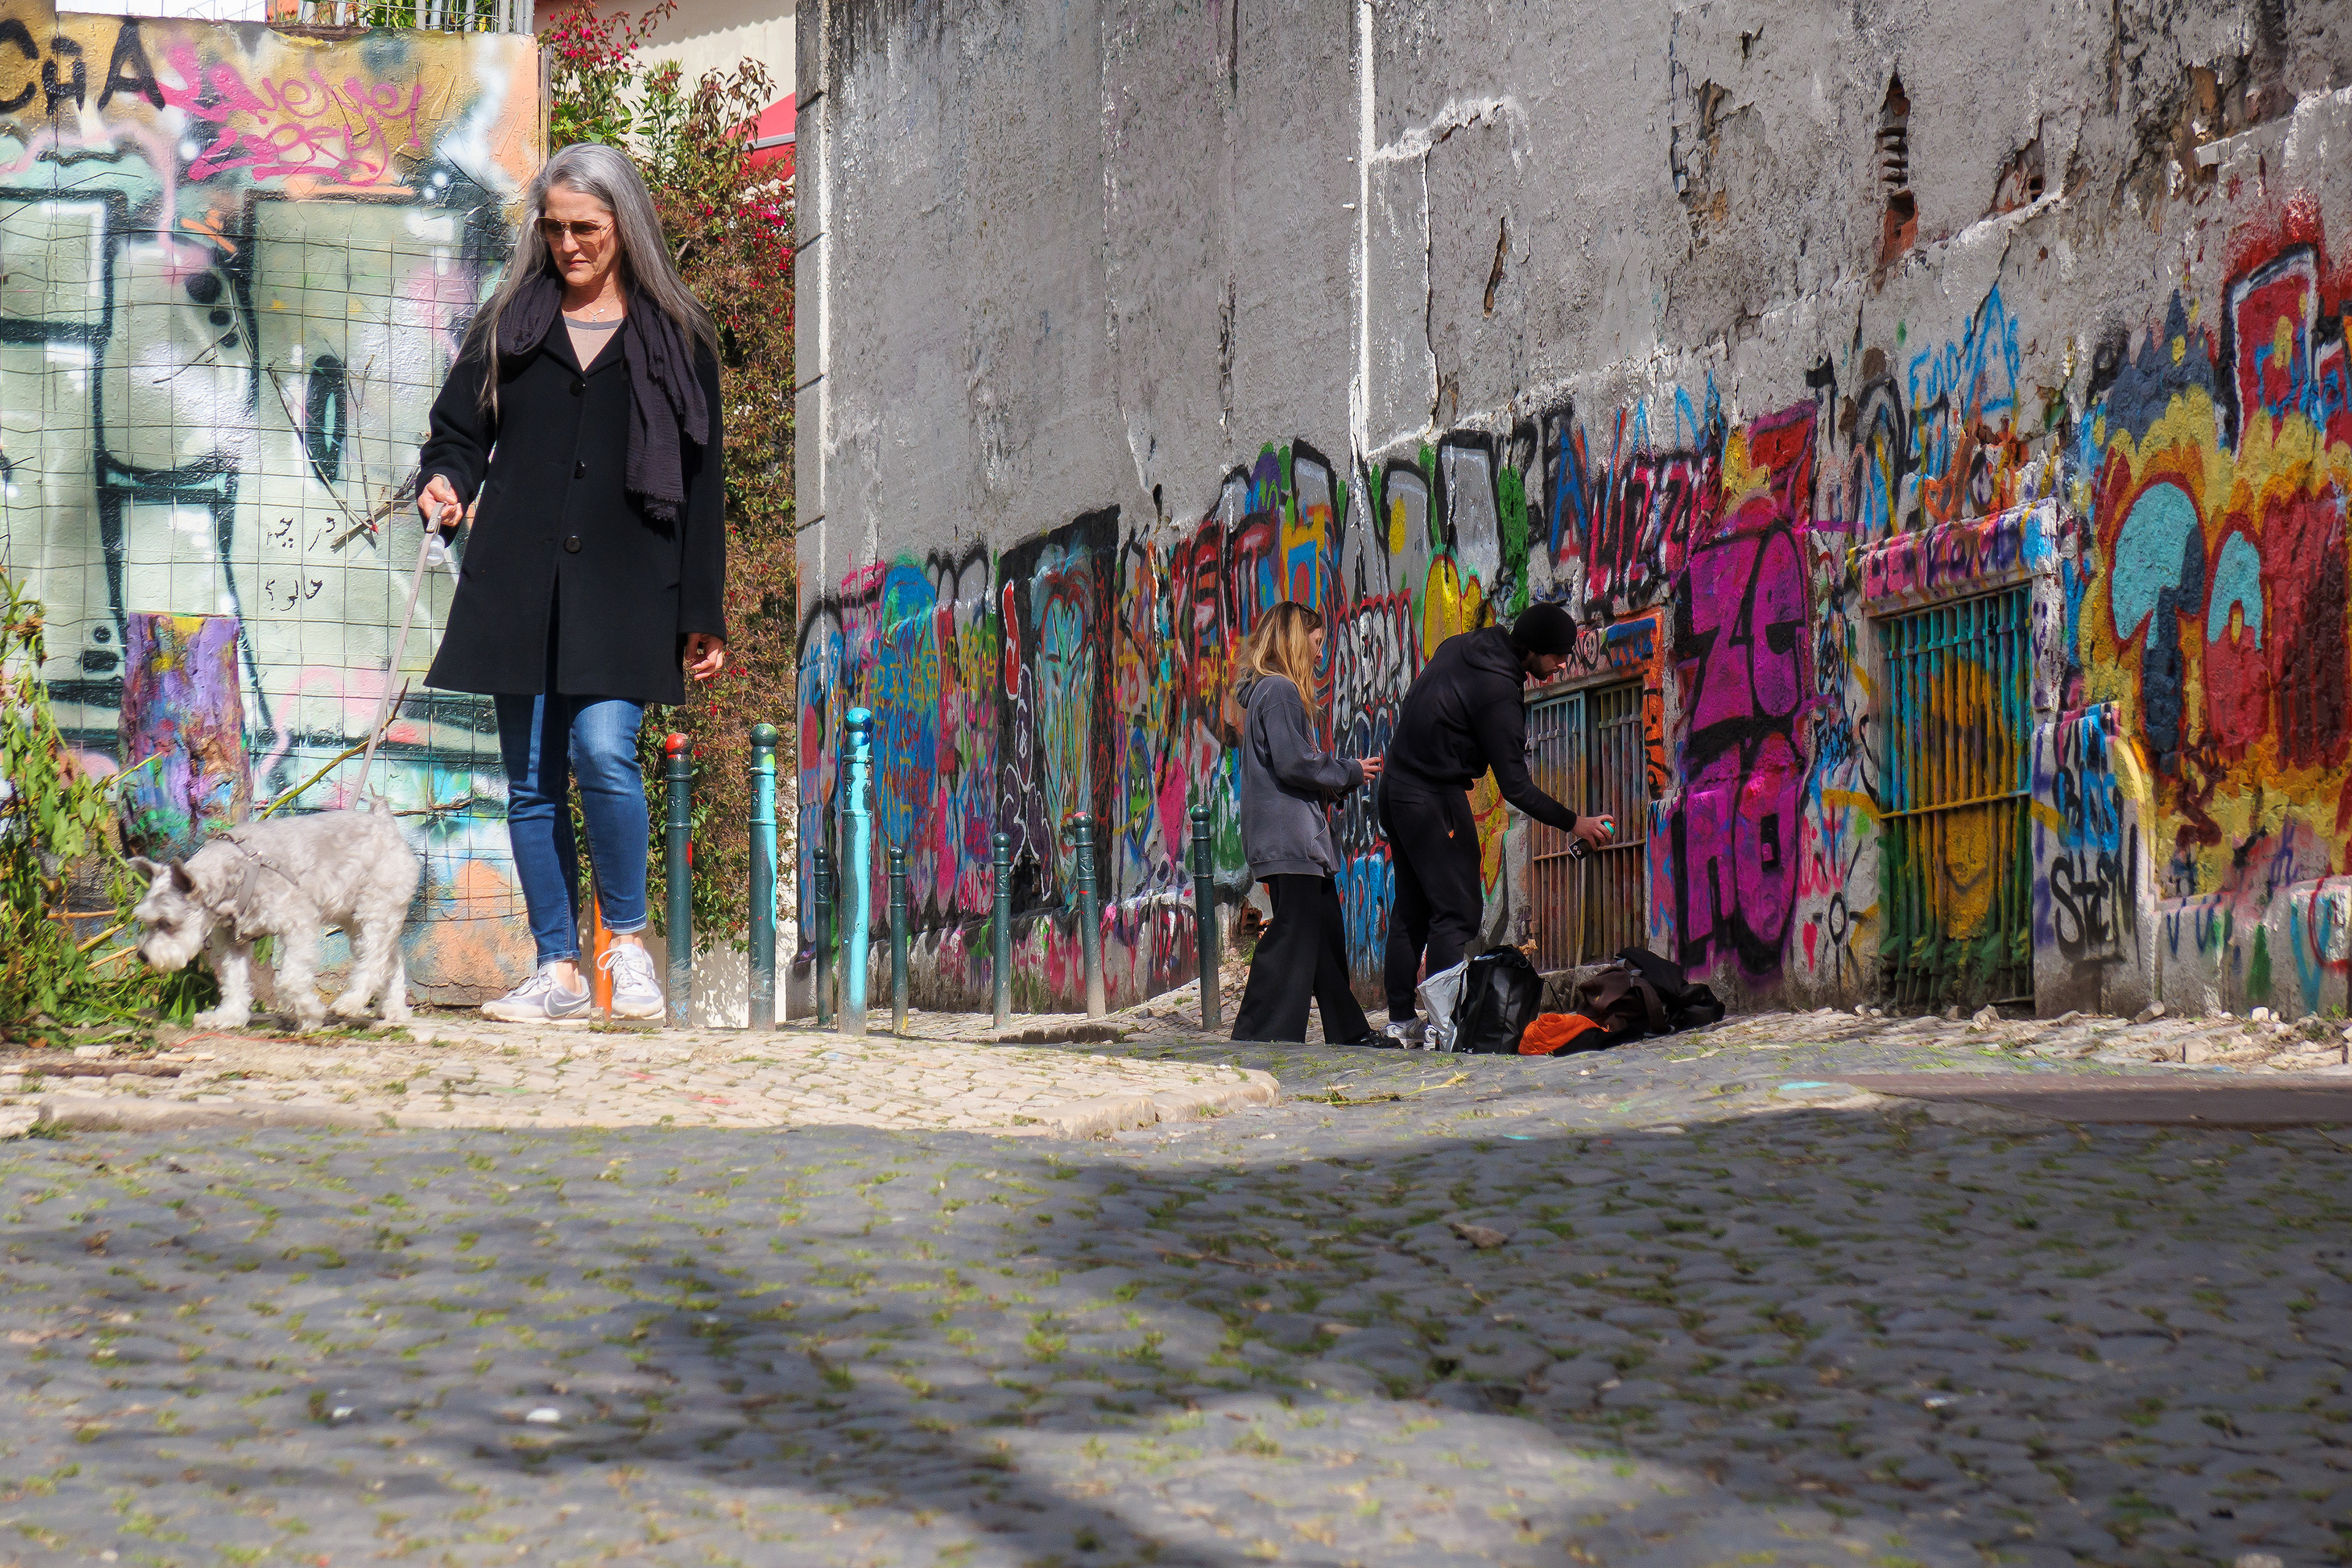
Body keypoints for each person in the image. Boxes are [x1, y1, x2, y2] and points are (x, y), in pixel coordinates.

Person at [413, 143, 727, 1024]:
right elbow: (457, 433)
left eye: (585, 228)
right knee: (530, 780)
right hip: (519, 580)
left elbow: (704, 483)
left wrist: (702, 611)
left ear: (626, 224)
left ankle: (625, 945)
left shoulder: (680, 336)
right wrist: (446, 481)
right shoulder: (509, 322)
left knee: (602, 752)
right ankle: (556, 970)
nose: (568, 245)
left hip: (632, 585)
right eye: (553, 228)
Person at [1376, 601, 1605, 1045]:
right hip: (1430, 795)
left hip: (1398, 784)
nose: (1563, 664)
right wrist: (1576, 823)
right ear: (1534, 648)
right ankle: (1443, 1028)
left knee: (1413, 908)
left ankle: (1402, 1022)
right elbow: (1516, 787)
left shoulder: (1464, 646)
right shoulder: (1498, 689)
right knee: (1457, 910)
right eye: (1558, 655)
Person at [1230, 601, 1382, 1044]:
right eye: (1316, 643)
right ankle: (1258, 1034)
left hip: (1291, 839)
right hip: (1291, 841)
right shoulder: (1279, 691)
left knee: (1323, 938)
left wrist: (1330, 786)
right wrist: (1347, 771)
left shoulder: (1267, 692)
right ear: (1296, 641)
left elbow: (1283, 767)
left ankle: (1349, 1032)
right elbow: (1294, 762)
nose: (1320, 654)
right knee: (1293, 936)